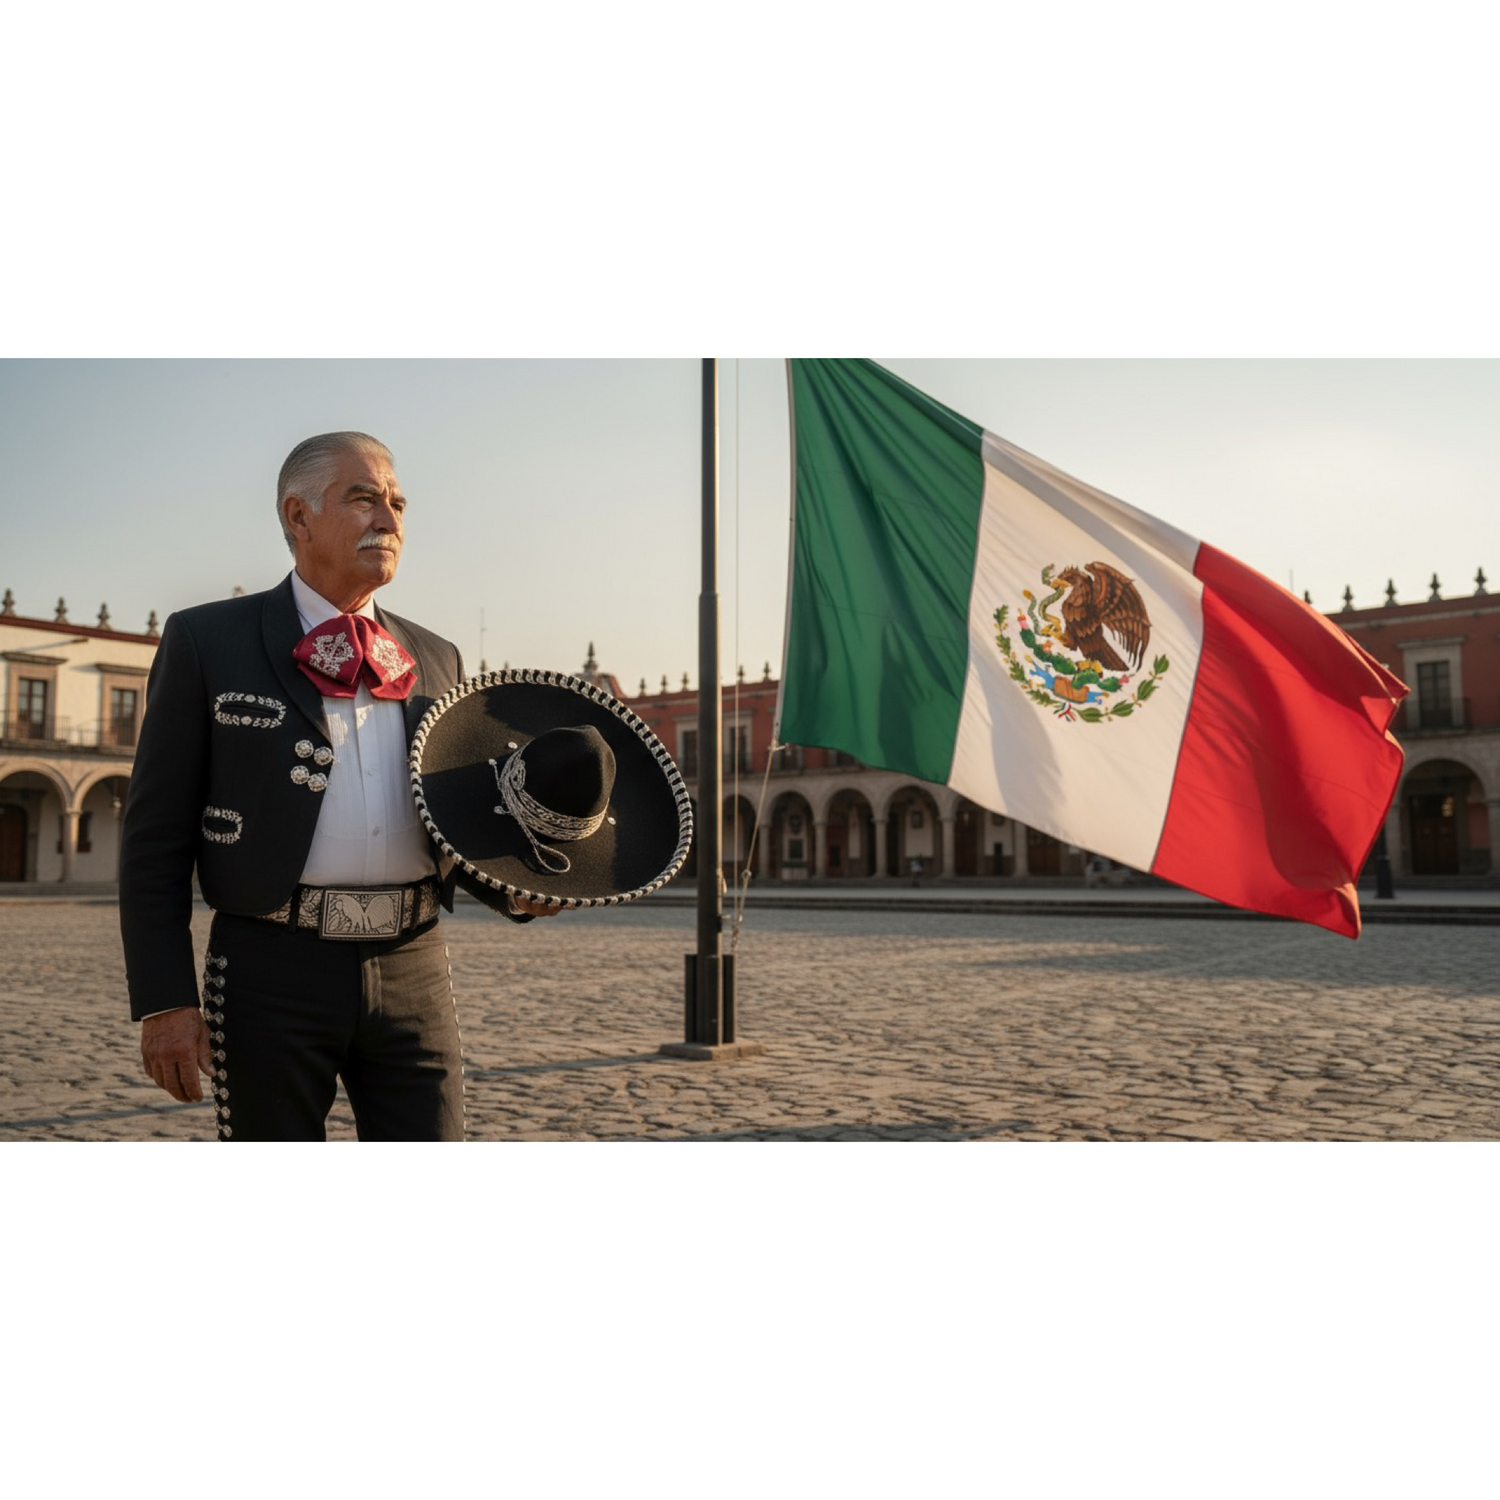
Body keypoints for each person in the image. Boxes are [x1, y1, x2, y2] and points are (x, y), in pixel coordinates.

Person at [120, 431, 554, 1141]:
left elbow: (456, 812)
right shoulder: (207, 640)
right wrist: (165, 1002)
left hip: (413, 960)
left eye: (398, 503)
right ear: (298, 516)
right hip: (269, 967)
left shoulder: (436, 655)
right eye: (364, 499)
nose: (389, 518)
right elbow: (154, 836)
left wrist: (515, 887)